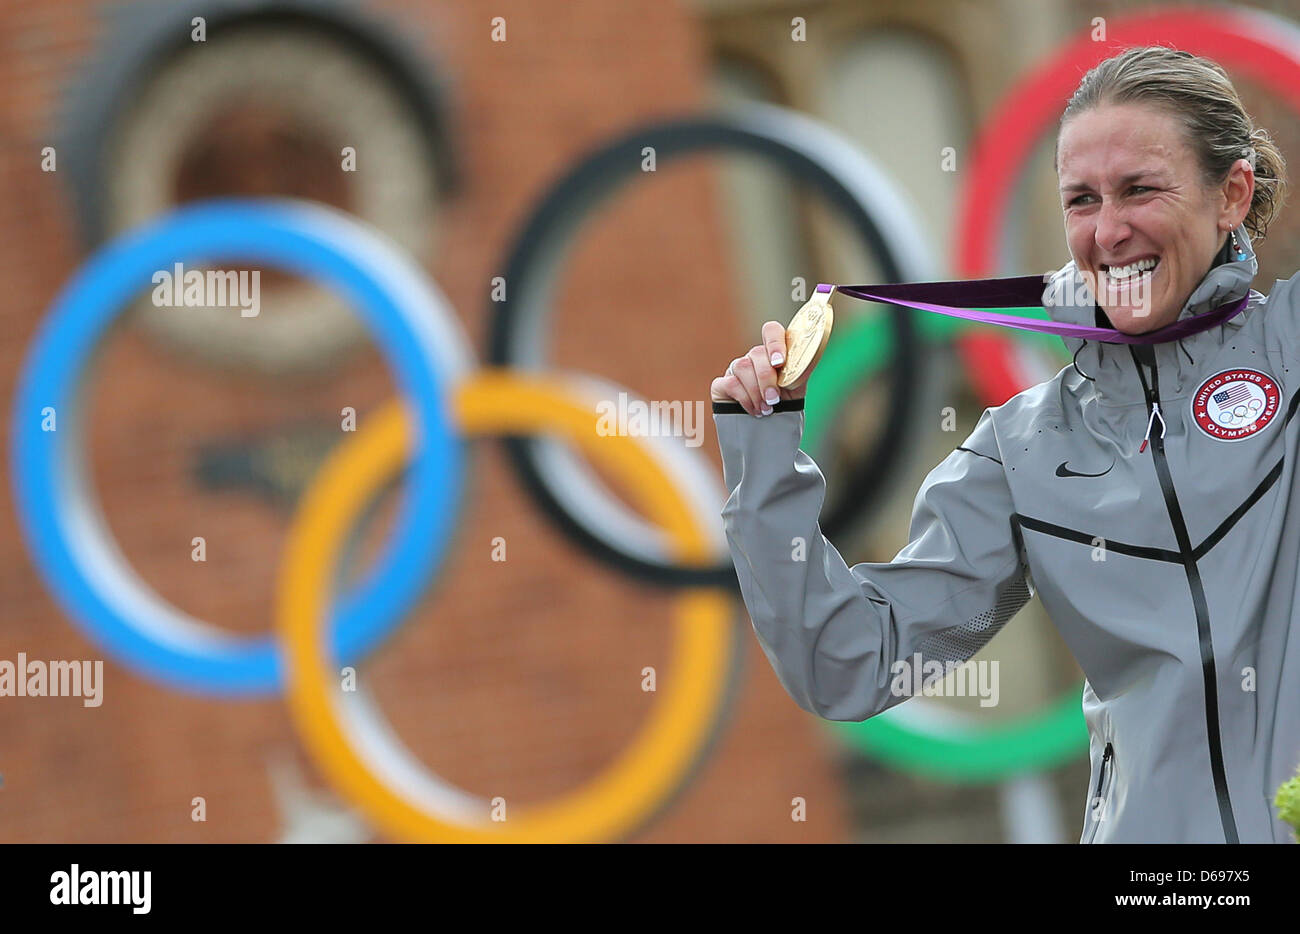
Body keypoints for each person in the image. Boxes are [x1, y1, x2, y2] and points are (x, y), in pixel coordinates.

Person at [709, 45, 1298, 844]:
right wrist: (765, 455)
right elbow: (847, 663)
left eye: (1140, 190)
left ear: (1232, 194)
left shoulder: (1291, 349)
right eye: (1081, 200)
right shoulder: (1022, 449)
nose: (1109, 230)